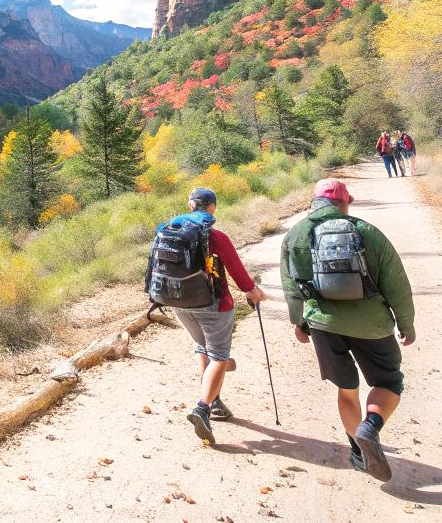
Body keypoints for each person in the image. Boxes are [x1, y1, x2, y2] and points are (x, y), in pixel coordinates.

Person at [280, 179, 416, 481]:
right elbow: (396, 283)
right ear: (344, 203)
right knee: (388, 382)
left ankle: (357, 451)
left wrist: (299, 323)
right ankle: (371, 427)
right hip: (372, 324)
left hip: (324, 326)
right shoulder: (366, 231)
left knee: (347, 388)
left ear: (314, 203)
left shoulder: (295, 236)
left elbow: (292, 289)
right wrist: (406, 324)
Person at [162, 186, 266, 445]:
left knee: (202, 347)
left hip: (178, 302)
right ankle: (202, 407)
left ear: (189, 206)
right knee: (219, 355)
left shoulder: (170, 231)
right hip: (213, 304)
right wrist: (252, 291)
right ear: (211, 207)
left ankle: (215, 400)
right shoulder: (215, 237)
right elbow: (237, 272)